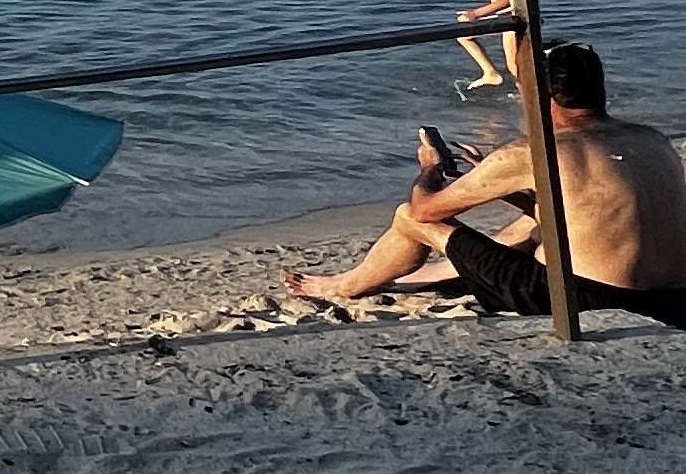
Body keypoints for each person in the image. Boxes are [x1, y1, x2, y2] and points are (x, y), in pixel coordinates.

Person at [286, 44, 686, 322]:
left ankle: (341, 286)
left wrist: (430, 169)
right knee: (533, 225)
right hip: (671, 300)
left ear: (541, 96)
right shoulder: (652, 139)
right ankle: (424, 277)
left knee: (408, 217)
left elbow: (426, 209)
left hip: (588, 300)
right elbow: (590, 208)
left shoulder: (533, 153)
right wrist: (505, 186)